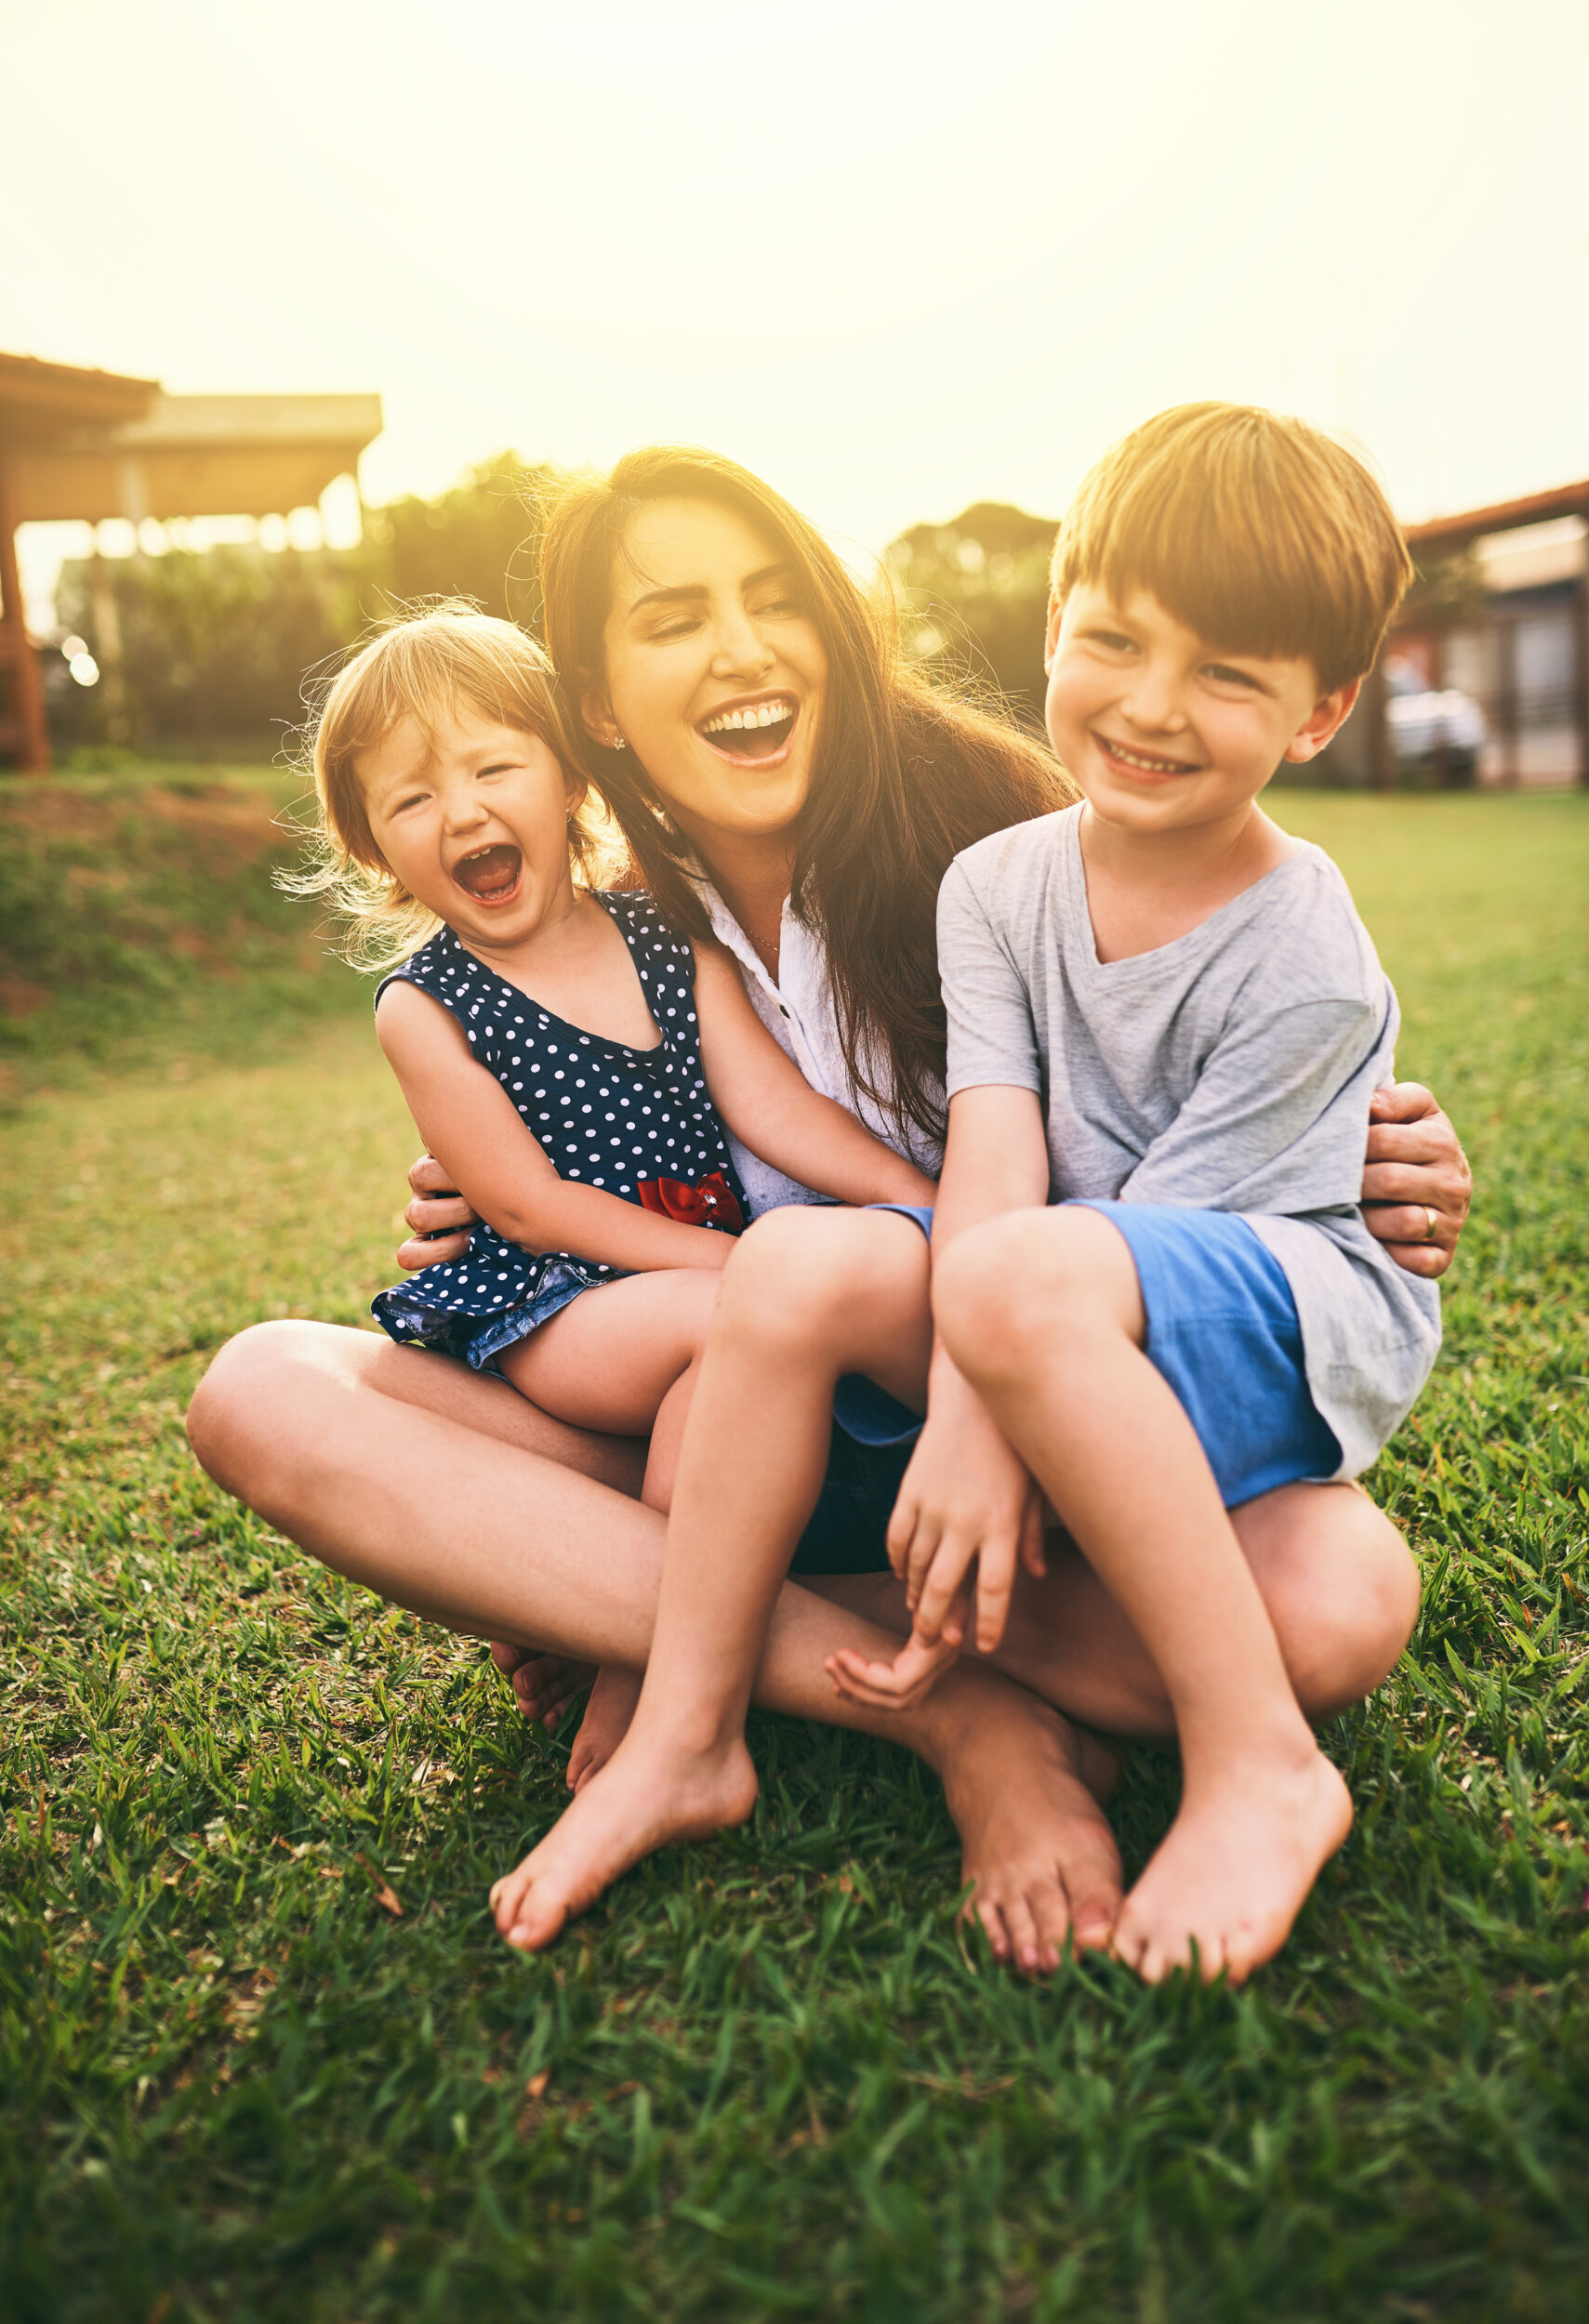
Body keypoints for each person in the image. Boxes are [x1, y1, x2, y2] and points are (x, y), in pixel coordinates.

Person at [186, 443, 1471, 1974]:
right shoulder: (603, 924)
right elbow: (539, 1188)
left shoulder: (998, 835)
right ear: (596, 701)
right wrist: (490, 1204)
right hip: (730, 1415)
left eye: (769, 596)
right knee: (264, 1392)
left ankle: (643, 1608)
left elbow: (1205, 1058)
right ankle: (945, 1707)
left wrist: (1386, 1149)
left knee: (1333, 1604)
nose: (735, 648)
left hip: (1020, 1418)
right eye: (670, 619)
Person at [293, 604, 932, 1554]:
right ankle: (650, 1661)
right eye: (411, 800)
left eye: (492, 767)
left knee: (723, 1367)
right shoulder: (427, 1005)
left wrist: (912, 1195)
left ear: (567, 778)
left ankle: (641, 1642)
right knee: (739, 1323)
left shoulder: (666, 933)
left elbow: (768, 1105)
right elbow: (529, 1207)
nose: (461, 810)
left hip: (687, 1292)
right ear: (374, 846)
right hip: (560, 1308)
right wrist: (742, 1268)